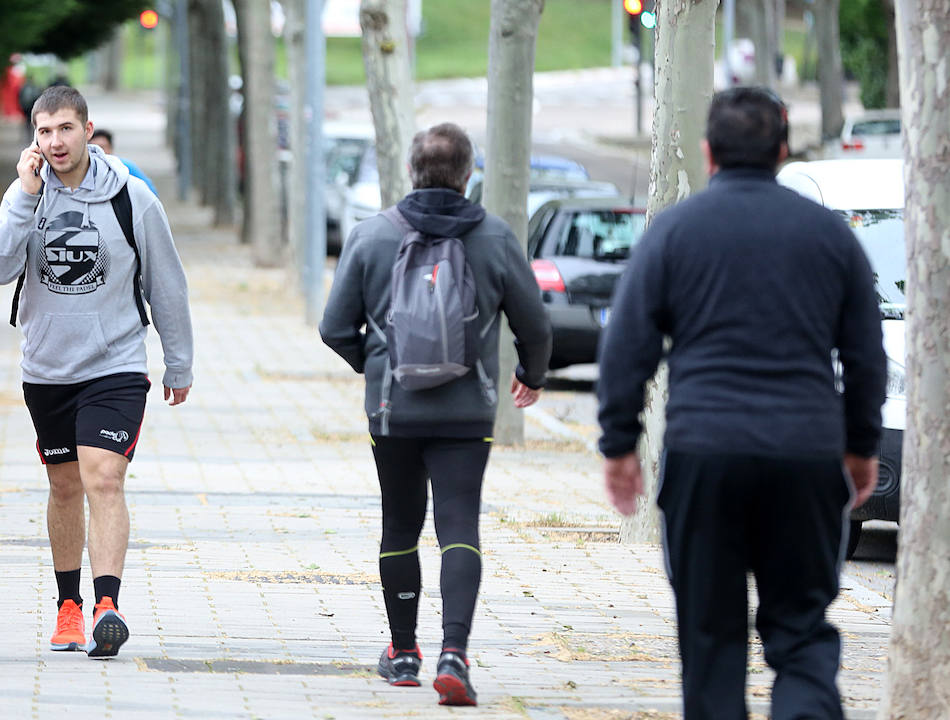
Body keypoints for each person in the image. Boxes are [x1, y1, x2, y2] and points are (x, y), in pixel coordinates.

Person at [596, 87, 884, 719]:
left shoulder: (674, 232)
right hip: (805, 456)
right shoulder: (829, 238)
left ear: (707, 153)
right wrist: (861, 448)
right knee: (802, 630)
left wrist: (619, 445)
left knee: (710, 637)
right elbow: (866, 357)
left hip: (706, 453)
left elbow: (626, 344)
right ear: (783, 149)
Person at [319, 122, 551, 707]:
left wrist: (374, 366)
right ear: (468, 173)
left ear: (411, 172)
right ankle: (454, 654)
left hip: (393, 410)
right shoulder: (496, 238)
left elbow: (332, 327)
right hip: (467, 412)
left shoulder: (372, 236)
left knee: (400, 524)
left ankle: (401, 655)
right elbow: (536, 326)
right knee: (458, 527)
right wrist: (531, 374)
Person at [0, 85, 193, 659]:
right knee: (64, 485)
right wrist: (24, 195)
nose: (54, 143)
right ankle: (68, 607)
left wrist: (179, 360)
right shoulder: (25, 193)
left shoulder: (131, 195)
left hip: (114, 363)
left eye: (65, 129)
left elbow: (166, 281)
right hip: (47, 368)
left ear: (88, 130)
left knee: (103, 477)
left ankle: (106, 606)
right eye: (43, 132)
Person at [89, 128, 159, 197]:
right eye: (93, 148)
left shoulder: (125, 167)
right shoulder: (85, 170)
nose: (98, 151)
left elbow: (150, 192)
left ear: (111, 148)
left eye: (102, 147)